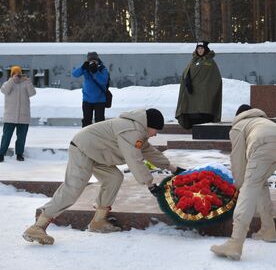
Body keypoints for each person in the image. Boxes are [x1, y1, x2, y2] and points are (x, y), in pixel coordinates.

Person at [22, 108, 184, 245]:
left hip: (97, 153)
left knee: (114, 178)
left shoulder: (139, 132)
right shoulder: (131, 131)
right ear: (149, 126)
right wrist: (150, 184)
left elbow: (149, 152)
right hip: (83, 148)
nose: (156, 135)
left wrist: (173, 168)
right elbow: (134, 158)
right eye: (156, 130)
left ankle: (98, 221)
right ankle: (38, 226)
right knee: (74, 188)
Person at [210, 104, 276, 261]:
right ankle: (268, 230)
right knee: (259, 182)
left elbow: (238, 159)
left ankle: (234, 244)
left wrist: (239, 185)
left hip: (263, 143)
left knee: (250, 187)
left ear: (238, 116)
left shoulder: (238, 126)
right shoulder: (261, 121)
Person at [175, 41, 222, 130]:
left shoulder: (210, 62)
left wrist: (207, 88)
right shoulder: (193, 60)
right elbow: (186, 73)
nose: (200, 50)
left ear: (206, 49)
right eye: (198, 48)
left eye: (202, 48)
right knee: (191, 109)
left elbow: (215, 79)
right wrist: (188, 82)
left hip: (205, 94)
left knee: (204, 109)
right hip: (192, 92)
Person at [0, 66, 36, 162]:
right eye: (14, 73)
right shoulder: (7, 83)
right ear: (11, 74)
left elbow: (32, 93)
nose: (17, 75)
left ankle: (19, 154)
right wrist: (12, 80)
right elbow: (4, 91)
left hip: (23, 116)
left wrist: (28, 81)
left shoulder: (25, 83)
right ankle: (1, 154)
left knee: (21, 138)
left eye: (18, 73)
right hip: (10, 117)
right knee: (6, 137)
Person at [72, 51, 109, 127]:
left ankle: (100, 137)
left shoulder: (102, 69)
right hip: (87, 99)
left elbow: (104, 81)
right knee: (86, 121)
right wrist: (82, 67)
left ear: (97, 59)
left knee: (100, 122)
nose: (92, 62)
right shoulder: (85, 67)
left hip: (100, 100)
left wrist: (95, 72)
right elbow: (75, 74)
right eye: (90, 60)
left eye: (94, 60)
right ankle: (86, 137)